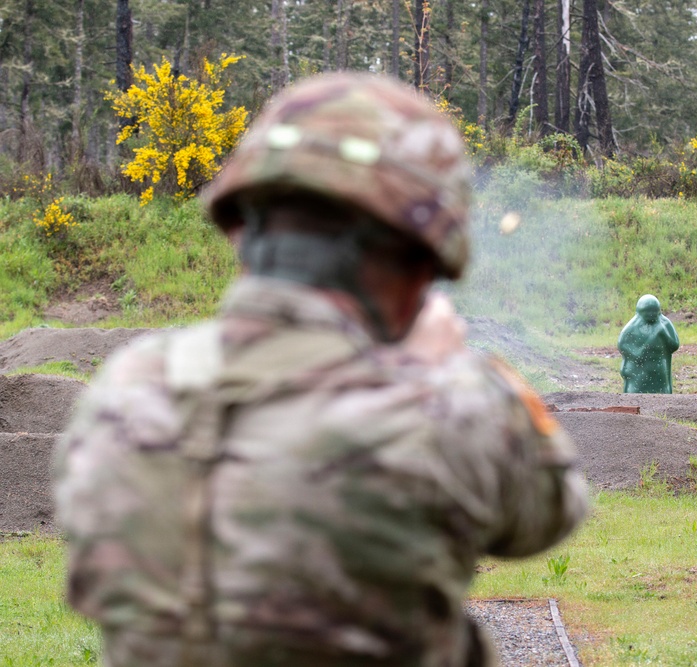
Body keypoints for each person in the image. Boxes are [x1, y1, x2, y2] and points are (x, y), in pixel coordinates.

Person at [53, 73, 587, 667]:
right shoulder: (447, 409)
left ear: (240, 232)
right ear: (418, 262)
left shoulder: (123, 389)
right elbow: (550, 513)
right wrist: (444, 366)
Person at [617, 294, 680, 393]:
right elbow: (622, 344)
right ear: (640, 311)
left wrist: (663, 334)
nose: (651, 314)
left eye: (654, 311)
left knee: (662, 392)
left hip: (660, 367)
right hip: (638, 370)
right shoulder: (633, 326)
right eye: (647, 311)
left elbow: (675, 345)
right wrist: (636, 354)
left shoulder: (664, 323)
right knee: (636, 391)